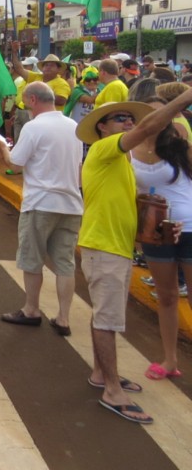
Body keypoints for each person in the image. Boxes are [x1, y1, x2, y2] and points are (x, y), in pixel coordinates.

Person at [74, 84, 192, 424]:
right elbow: (147, 128)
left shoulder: (119, 159)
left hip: (114, 246)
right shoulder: (105, 149)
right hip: (104, 247)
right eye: (120, 118)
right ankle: (112, 389)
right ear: (102, 126)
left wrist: (158, 227)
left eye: (130, 118)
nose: (128, 123)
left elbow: (131, 203)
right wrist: (184, 99)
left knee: (104, 316)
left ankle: (101, 374)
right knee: (108, 320)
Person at [0, 82, 83, 334]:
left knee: (32, 259)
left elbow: (16, 163)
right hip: (71, 203)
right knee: (65, 263)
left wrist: (3, 146)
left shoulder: (34, 127)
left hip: (41, 202)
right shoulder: (73, 126)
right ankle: (63, 317)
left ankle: (31, 309)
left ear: (33, 100)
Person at [129, 96, 192, 381]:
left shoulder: (181, 149)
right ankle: (169, 360)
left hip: (189, 228)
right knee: (166, 297)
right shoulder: (128, 151)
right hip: (155, 234)